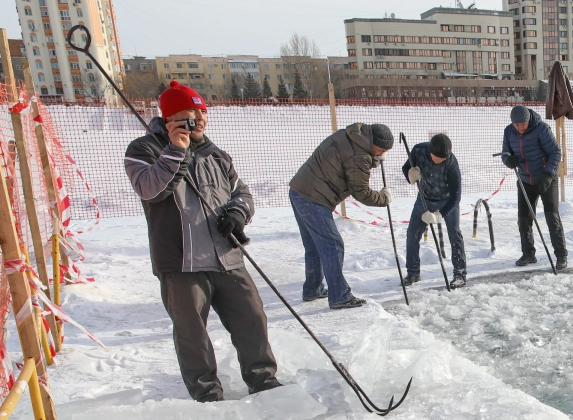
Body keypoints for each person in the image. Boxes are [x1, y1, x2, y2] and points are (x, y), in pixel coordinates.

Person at [124, 81, 281, 403]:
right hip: (180, 262)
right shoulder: (143, 150)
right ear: (169, 117)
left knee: (252, 318)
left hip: (227, 256)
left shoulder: (216, 154)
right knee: (191, 332)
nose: (199, 118)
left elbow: (242, 192)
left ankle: (263, 380)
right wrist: (176, 150)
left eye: (202, 111)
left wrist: (238, 213)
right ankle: (207, 393)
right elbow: (151, 190)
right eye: (189, 113)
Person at [288, 123, 396, 309]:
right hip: (314, 198)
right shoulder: (360, 156)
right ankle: (340, 296)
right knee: (332, 244)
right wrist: (383, 198)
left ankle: (313, 289)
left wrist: (373, 159)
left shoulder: (351, 136)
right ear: (373, 143)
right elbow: (360, 191)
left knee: (314, 245)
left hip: (299, 190)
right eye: (382, 150)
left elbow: (349, 163)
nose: (383, 153)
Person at [501, 105, 567, 270]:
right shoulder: (509, 132)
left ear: (529, 120)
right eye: (517, 125)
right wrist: (508, 160)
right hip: (525, 180)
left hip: (545, 179)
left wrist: (549, 174)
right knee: (524, 219)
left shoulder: (541, 129)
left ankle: (561, 255)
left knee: (552, 218)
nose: (520, 128)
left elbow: (555, 152)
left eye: (523, 124)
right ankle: (528, 253)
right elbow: (505, 153)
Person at [400, 133, 465, 289]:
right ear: (430, 151)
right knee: (412, 233)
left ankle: (460, 274)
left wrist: (440, 214)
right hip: (424, 197)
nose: (439, 161)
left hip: (447, 200)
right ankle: (413, 272)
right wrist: (410, 175)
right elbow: (406, 167)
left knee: (454, 233)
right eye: (436, 158)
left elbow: (456, 195)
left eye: (442, 159)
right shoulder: (418, 150)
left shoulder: (451, 163)